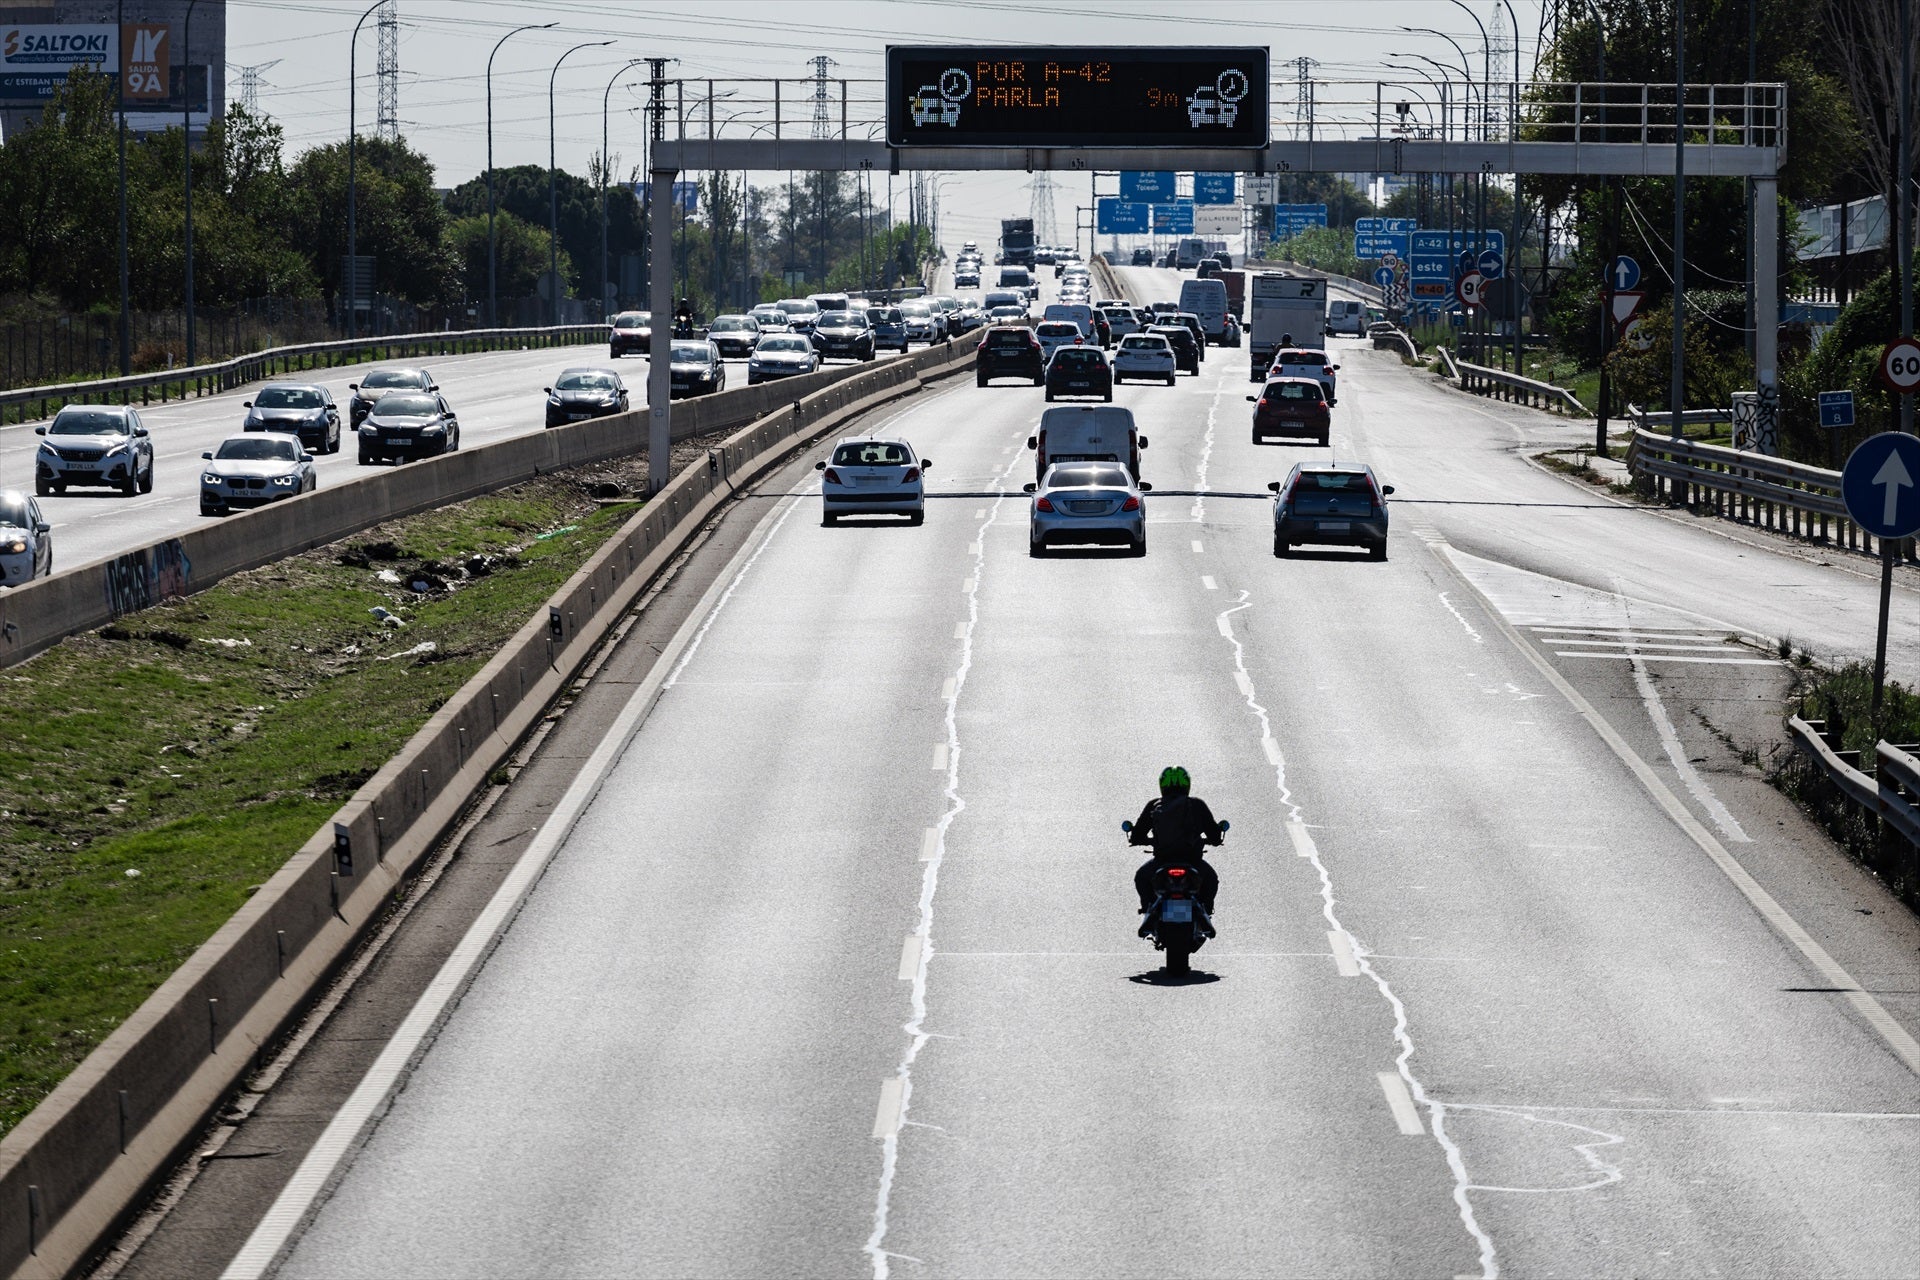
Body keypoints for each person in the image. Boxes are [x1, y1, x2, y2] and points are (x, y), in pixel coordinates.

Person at [1129, 765, 1223, 917]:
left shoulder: (1154, 805)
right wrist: (1215, 839)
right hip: (1192, 860)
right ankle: (1206, 912)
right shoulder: (1197, 804)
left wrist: (1141, 839)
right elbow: (1214, 835)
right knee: (1211, 879)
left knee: (1141, 877)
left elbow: (1137, 834)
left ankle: (1148, 910)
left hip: (1163, 860)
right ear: (1187, 785)